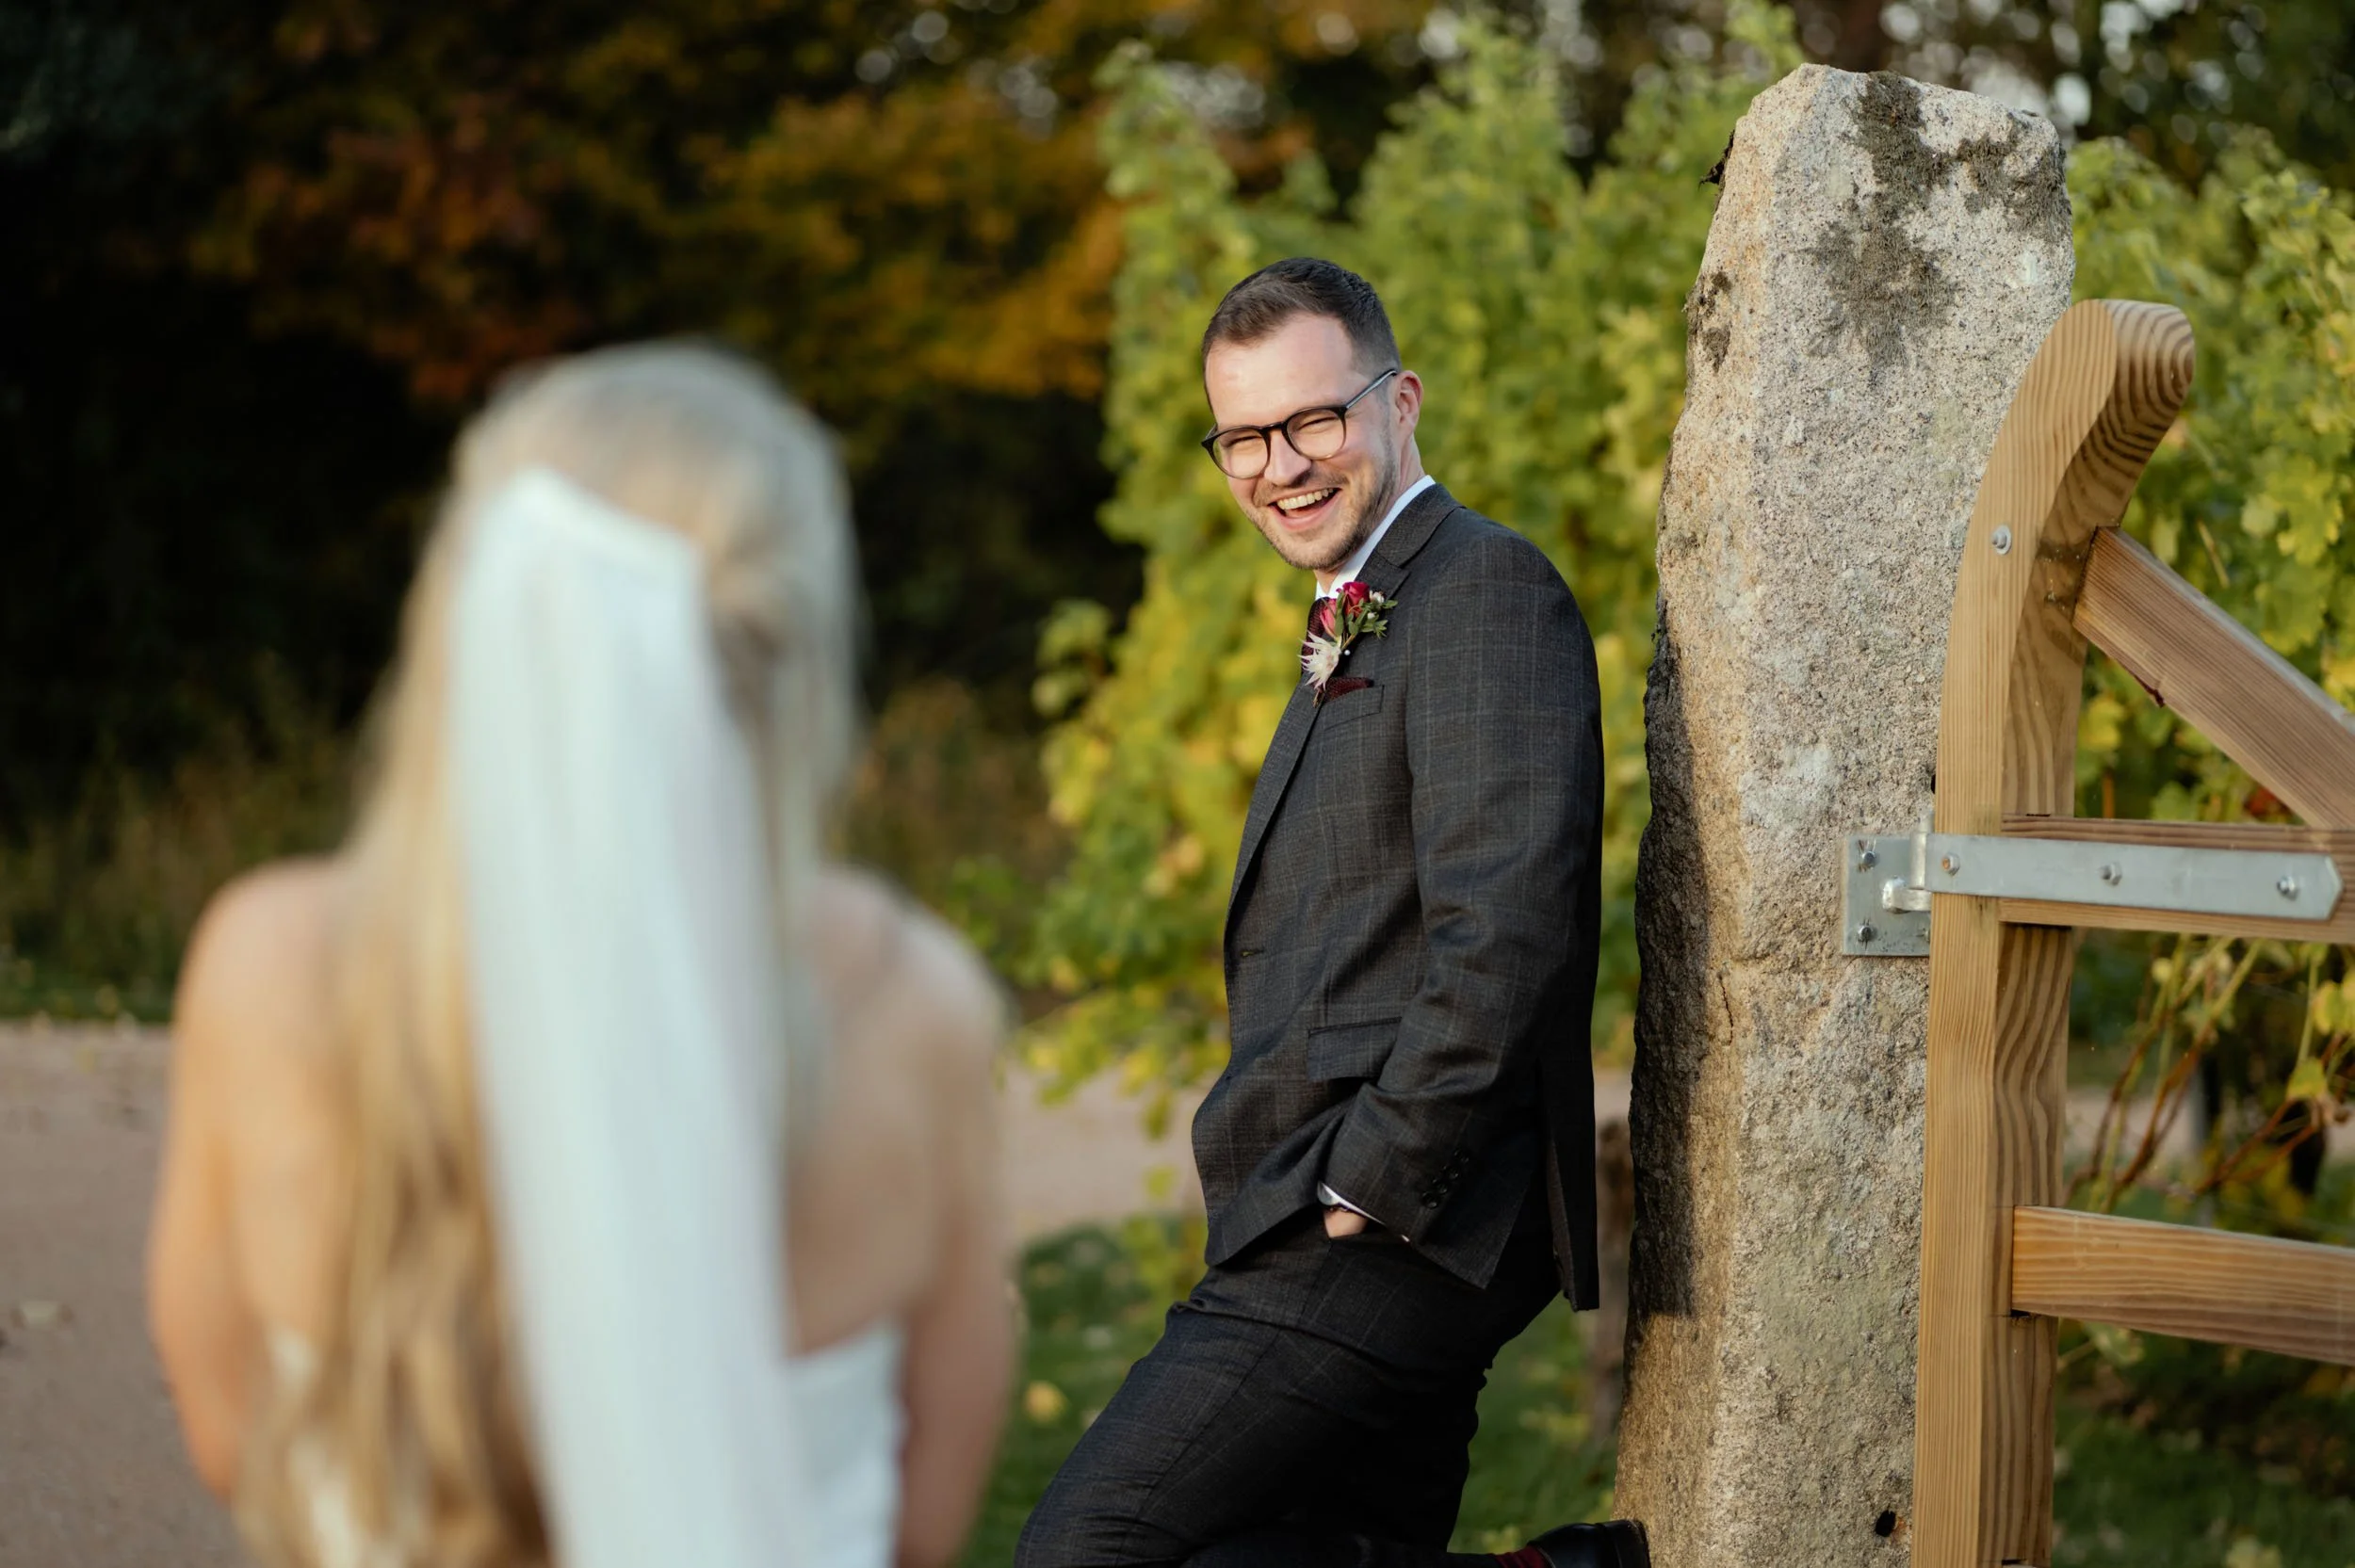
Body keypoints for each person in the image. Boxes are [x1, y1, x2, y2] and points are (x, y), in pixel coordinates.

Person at [146, 344, 1014, 1568]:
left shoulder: (272, 970)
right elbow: (920, 1528)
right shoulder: (915, 1010)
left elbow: (233, 1439)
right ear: (799, 659)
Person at [1016, 259, 1648, 1568]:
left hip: (1392, 1223)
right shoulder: (1370, 604)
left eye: (1313, 420)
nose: (1280, 467)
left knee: (1086, 1552)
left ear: (1399, 402)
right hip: (1327, 1204)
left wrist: (1373, 1178)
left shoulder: (1482, 590)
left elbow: (1507, 930)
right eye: (1244, 438)